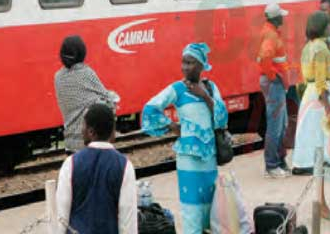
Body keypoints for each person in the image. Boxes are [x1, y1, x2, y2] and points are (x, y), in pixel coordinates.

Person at [141, 43, 229, 233]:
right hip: (188, 161)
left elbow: (222, 119)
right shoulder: (177, 89)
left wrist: (204, 96)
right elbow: (150, 109)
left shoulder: (211, 89)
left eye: (191, 63)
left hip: (210, 160)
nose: (185, 67)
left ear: (201, 65)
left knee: (210, 210)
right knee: (191, 212)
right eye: (184, 62)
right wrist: (172, 126)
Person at [292, 12, 330, 219]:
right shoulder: (322, 49)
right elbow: (322, 83)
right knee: (321, 150)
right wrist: (329, 112)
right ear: (324, 28)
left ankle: (321, 201)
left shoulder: (308, 46)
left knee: (317, 151)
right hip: (320, 100)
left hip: (310, 96)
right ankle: (321, 204)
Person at [56, 104, 136, 234]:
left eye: (83, 126)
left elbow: (61, 215)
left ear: (91, 132)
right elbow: (127, 220)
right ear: (112, 132)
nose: (81, 131)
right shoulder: (125, 165)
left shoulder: (70, 163)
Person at [55, 35, 117, 153]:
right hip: (88, 143)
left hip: (70, 144)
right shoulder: (86, 73)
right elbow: (108, 99)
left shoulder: (58, 77)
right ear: (82, 52)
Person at [258, 3, 291, 178]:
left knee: (281, 123)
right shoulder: (271, 35)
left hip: (276, 83)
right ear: (276, 18)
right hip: (274, 83)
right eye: (281, 16)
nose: (283, 18)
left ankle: (279, 160)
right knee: (276, 125)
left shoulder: (270, 32)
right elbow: (265, 58)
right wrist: (273, 76)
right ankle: (272, 165)